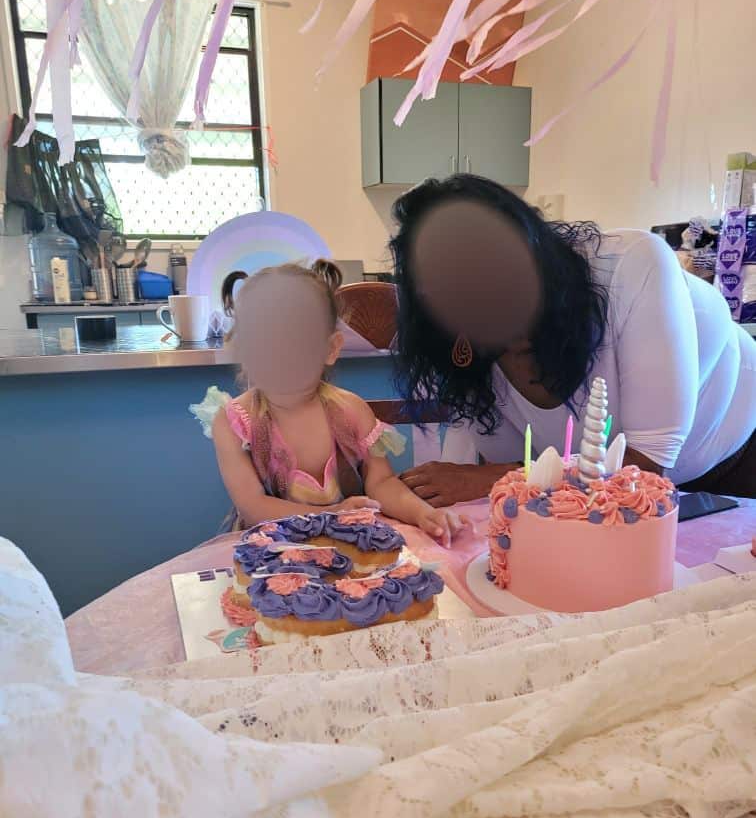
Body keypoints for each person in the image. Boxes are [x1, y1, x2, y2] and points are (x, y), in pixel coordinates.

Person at [392, 175, 756, 502]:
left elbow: (644, 468)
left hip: (734, 467)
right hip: (592, 500)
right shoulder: (458, 341)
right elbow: (513, 469)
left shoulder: (634, 266)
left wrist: (486, 479)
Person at [193, 259, 464, 544]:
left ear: (331, 348)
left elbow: (381, 483)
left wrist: (422, 513)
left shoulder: (352, 412)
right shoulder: (235, 422)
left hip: (345, 548)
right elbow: (253, 506)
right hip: (269, 556)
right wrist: (331, 514)